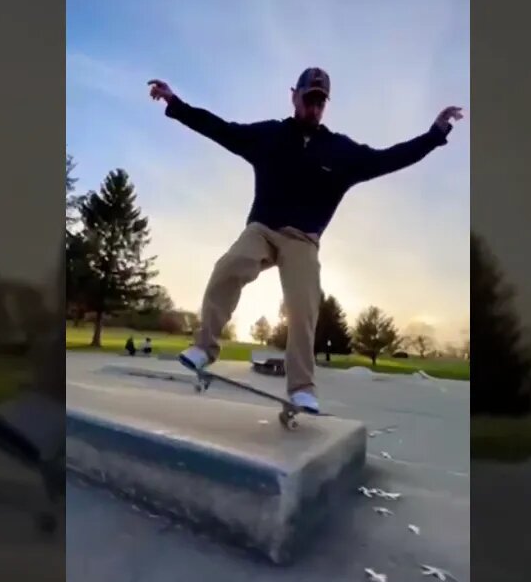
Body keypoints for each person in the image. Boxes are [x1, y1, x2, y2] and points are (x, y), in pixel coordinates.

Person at [148, 68, 462, 413]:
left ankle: (301, 387)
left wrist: (435, 134)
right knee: (229, 266)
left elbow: (390, 158)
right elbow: (221, 129)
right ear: (293, 95)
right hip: (262, 230)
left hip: (303, 240)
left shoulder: (341, 151)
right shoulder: (269, 135)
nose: (314, 109)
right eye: (308, 100)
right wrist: (175, 104)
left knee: (304, 304)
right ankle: (204, 348)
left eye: (320, 103)